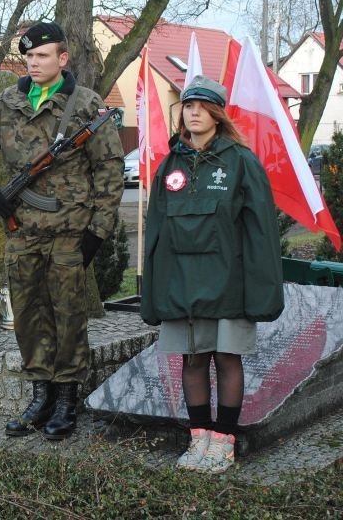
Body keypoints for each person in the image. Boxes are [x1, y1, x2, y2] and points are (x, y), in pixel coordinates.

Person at [0, 21, 124, 440]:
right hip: (23, 231)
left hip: (70, 232)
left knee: (69, 317)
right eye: (29, 57)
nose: (34, 63)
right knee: (29, 317)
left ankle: (67, 398)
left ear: (62, 59)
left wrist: (99, 231)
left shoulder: (86, 106)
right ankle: (40, 396)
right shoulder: (8, 102)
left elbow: (109, 172)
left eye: (42, 56)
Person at [141, 75, 284, 473]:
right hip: (182, 283)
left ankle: (223, 441)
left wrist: (262, 287)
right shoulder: (170, 165)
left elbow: (260, 232)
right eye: (188, 106)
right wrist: (154, 287)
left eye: (203, 107)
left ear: (218, 115)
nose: (194, 113)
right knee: (192, 360)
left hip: (229, 282)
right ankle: (198, 437)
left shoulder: (241, 161)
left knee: (226, 358)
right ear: (181, 113)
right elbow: (156, 231)